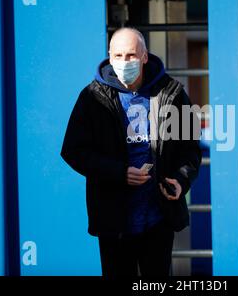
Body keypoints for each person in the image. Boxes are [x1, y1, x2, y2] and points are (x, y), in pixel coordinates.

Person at [60, 28, 202, 277]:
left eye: (131, 55)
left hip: (158, 220)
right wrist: (119, 173)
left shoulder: (173, 94)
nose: (124, 62)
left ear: (145, 56)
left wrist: (181, 180)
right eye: (118, 56)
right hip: (113, 222)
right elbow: (73, 151)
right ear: (109, 57)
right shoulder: (92, 97)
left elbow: (190, 148)